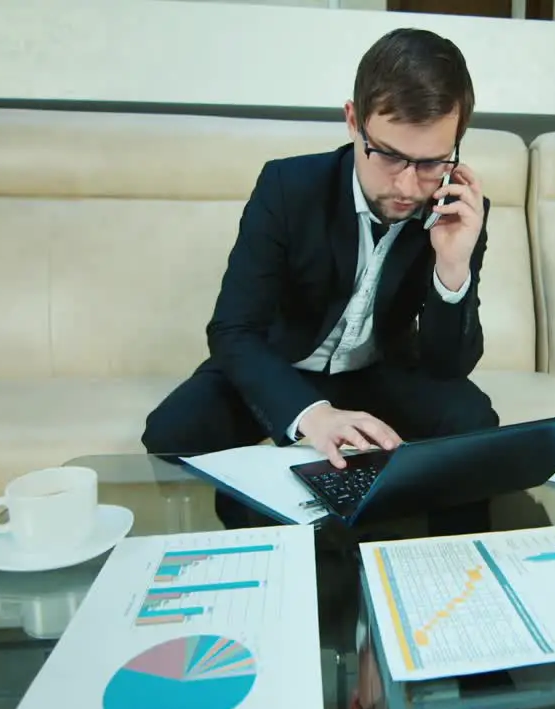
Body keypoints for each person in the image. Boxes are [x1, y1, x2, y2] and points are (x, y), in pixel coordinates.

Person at [142, 28, 499, 534]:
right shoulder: (288, 188)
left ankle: (448, 571)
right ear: (354, 120)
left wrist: (452, 265)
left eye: (431, 161)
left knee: (471, 420)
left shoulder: (459, 210)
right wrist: (311, 415)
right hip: (283, 366)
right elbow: (232, 331)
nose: (406, 185)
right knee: (175, 429)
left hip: (376, 371)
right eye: (390, 155)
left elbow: (449, 366)